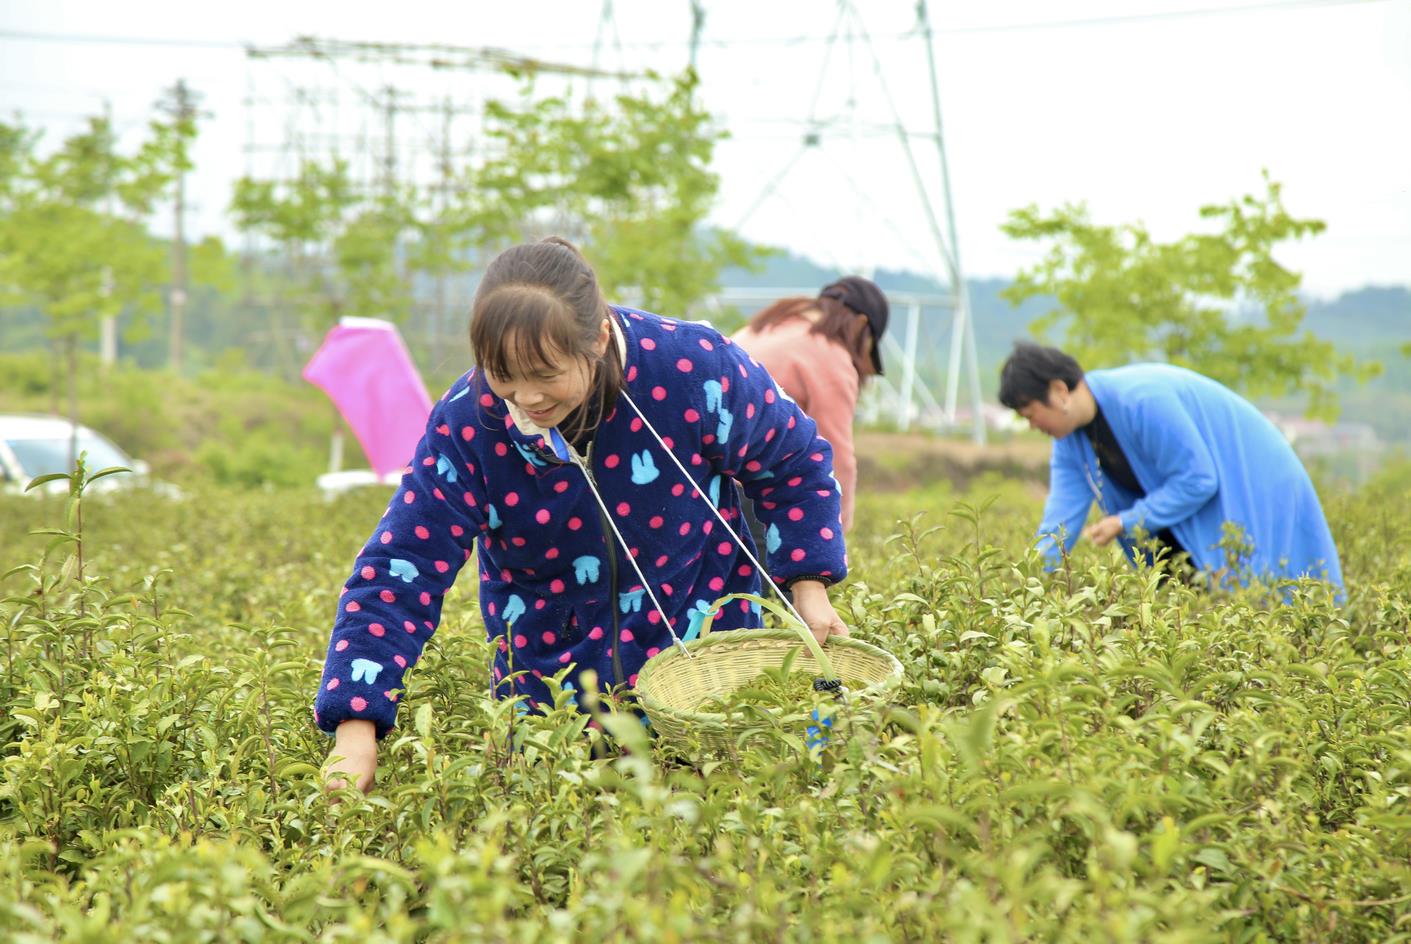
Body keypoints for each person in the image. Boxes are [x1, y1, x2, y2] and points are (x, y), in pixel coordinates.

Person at [318, 237, 851, 792]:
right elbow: (404, 562)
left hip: (705, 675)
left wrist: (808, 586)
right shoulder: (470, 424)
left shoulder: (692, 369)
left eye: (545, 373)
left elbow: (795, 462)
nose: (526, 398)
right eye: (503, 376)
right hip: (553, 704)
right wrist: (355, 730)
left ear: (597, 340)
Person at [999, 341, 1343, 588]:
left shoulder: (1142, 401)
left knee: (1280, 602)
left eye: (1031, 415)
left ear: (1059, 391)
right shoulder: (1069, 443)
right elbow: (1058, 523)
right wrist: (1027, 590)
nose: (1031, 425)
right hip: (1191, 530)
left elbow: (1198, 479)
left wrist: (1126, 521)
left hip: (1256, 489)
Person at [731, 276, 889, 534]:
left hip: (698, 482)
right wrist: (836, 538)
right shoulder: (830, 356)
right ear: (861, 325)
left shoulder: (755, 330)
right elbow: (836, 459)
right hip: (756, 494)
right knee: (765, 572)